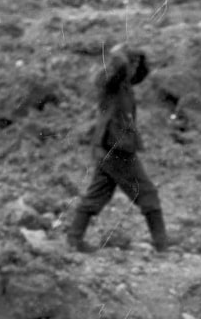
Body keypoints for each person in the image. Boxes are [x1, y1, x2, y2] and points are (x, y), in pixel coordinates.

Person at [67, 44, 167, 253]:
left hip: (112, 147)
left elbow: (140, 74)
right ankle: (162, 245)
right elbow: (121, 65)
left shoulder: (123, 84)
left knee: (97, 193)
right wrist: (120, 52)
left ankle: (74, 238)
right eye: (132, 64)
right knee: (147, 193)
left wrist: (140, 56)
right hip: (116, 148)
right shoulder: (109, 80)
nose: (134, 70)